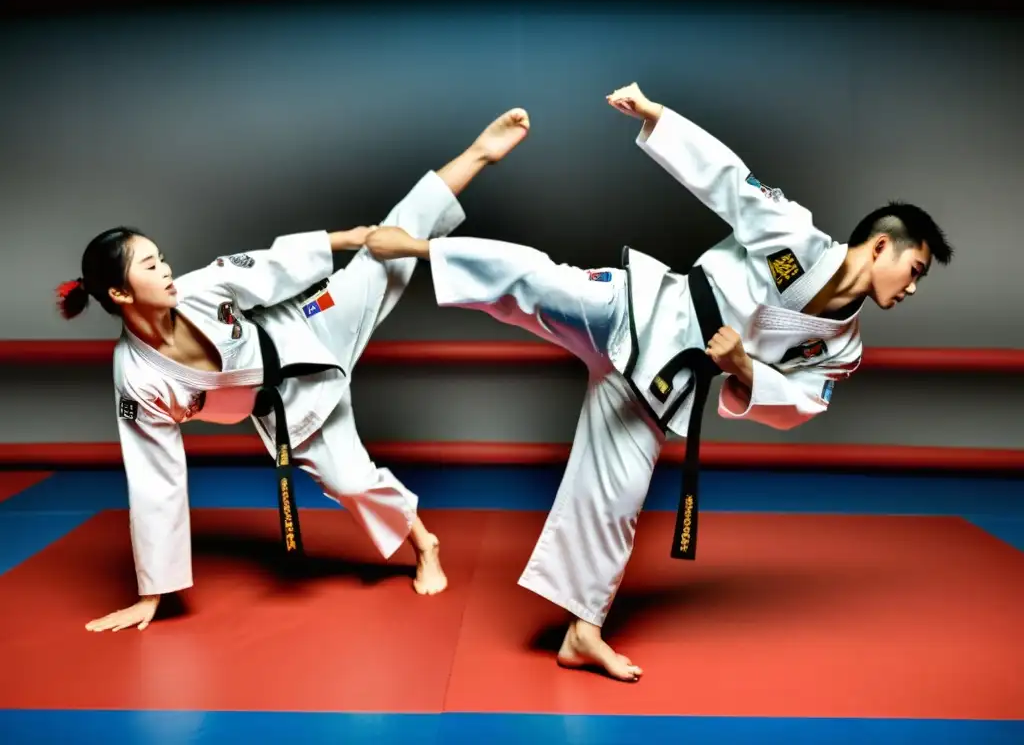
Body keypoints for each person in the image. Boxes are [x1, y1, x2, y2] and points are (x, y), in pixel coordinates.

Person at [363, 82, 953, 682]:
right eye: (914, 269)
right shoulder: (796, 244)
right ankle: (418, 246)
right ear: (881, 246)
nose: (911, 287)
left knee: (616, 500)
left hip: (667, 389)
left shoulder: (843, 345)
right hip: (644, 311)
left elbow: (800, 405)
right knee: (540, 282)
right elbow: (729, 180)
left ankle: (581, 634)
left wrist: (747, 371)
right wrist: (656, 117)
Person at [58, 107, 531, 633]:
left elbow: (271, 265)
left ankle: (478, 153)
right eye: (150, 266)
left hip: (306, 325)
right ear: (120, 293)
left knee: (386, 250)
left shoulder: (199, 287)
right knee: (350, 483)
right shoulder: (138, 379)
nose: (167, 269)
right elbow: (154, 480)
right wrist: (153, 591)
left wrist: (349, 238)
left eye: (161, 257)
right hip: (287, 403)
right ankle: (425, 542)